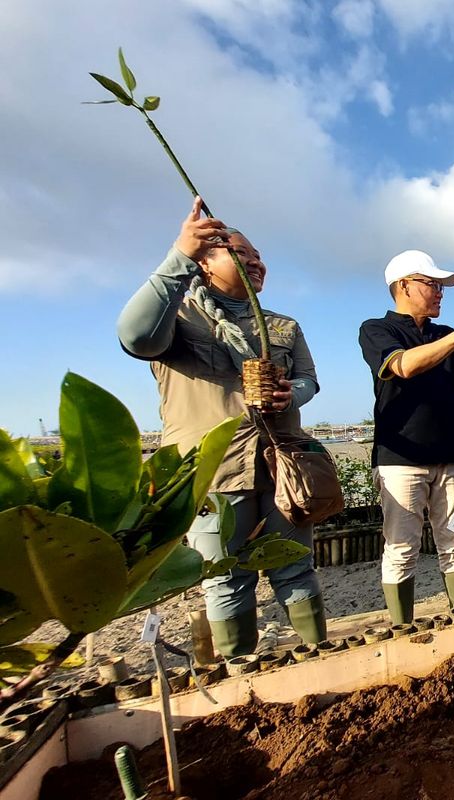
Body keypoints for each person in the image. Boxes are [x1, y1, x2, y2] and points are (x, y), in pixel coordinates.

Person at [117, 198, 325, 656]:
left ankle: (318, 657)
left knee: (296, 567)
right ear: (204, 262)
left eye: (258, 256)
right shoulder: (181, 317)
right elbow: (135, 336)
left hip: (282, 468)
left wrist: (295, 392)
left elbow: (310, 378)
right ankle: (241, 671)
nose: (256, 262)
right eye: (241, 253)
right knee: (226, 578)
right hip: (215, 474)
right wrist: (178, 257)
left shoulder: (282, 326)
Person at [358, 250, 454, 624]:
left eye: (441, 286)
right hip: (400, 460)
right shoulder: (377, 329)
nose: (440, 292)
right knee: (402, 548)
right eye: (432, 284)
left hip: (451, 458)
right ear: (403, 285)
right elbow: (403, 366)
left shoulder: (444, 334)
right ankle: (402, 626)